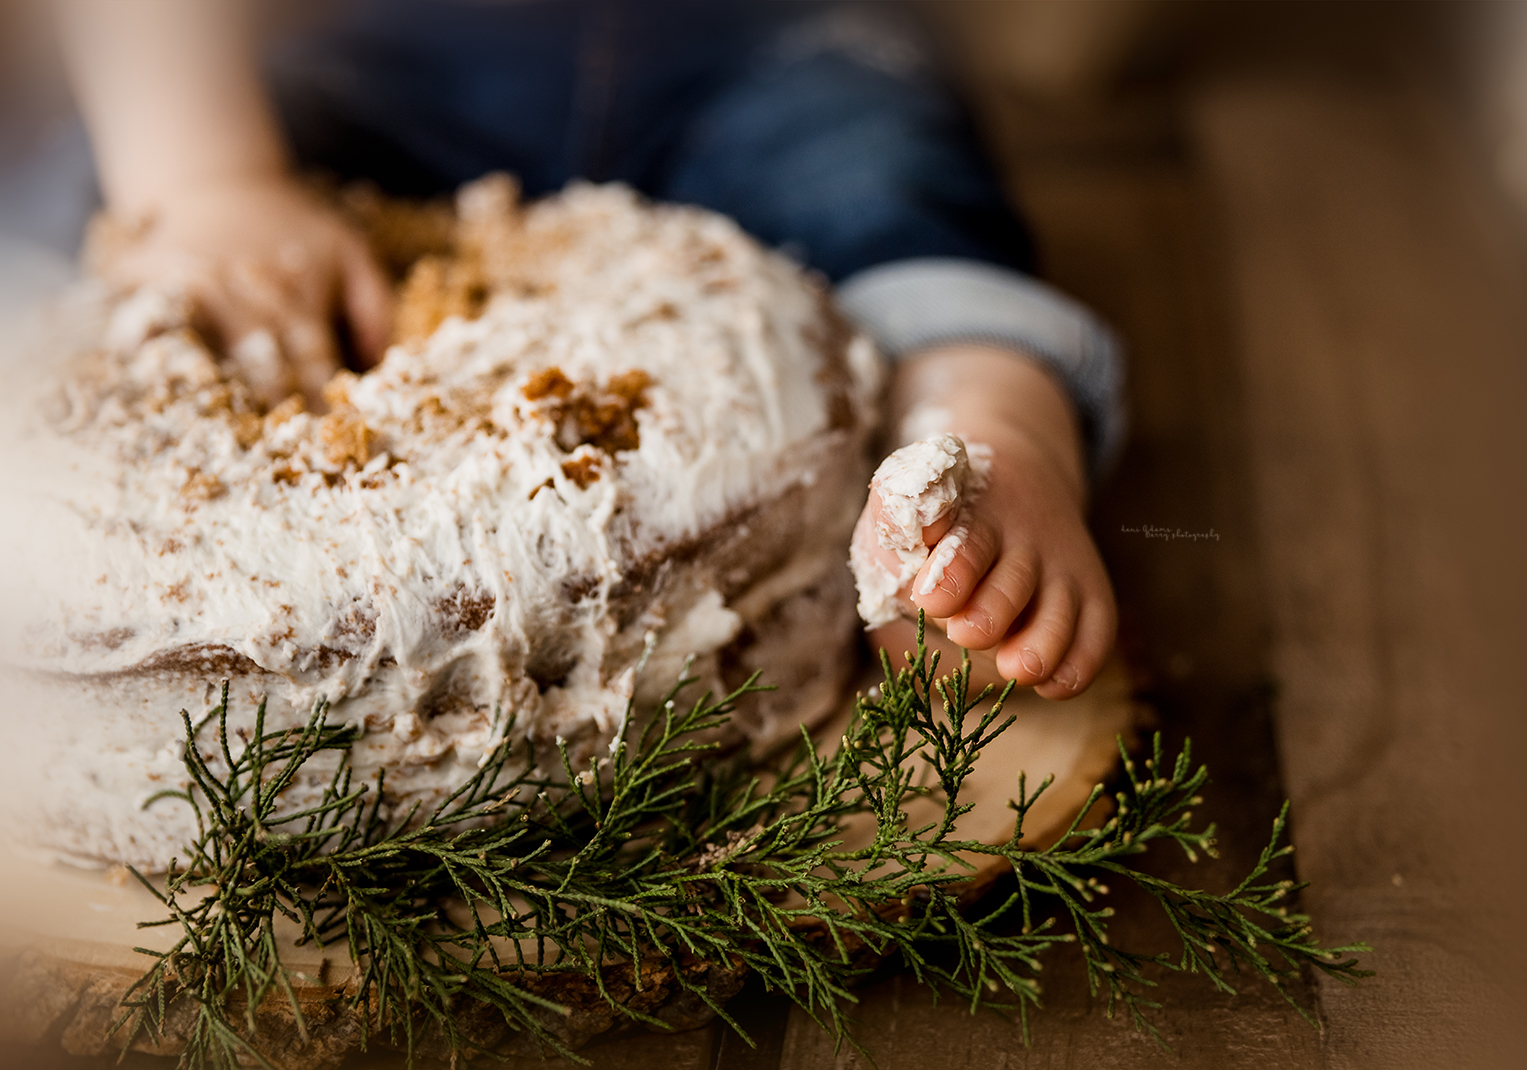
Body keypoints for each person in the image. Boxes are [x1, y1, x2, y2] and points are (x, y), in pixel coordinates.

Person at [52, 0, 1121, 701]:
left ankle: (974, 431)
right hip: (342, 53)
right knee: (75, 220)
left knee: (882, 175)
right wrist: (203, 177)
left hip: (753, 47)